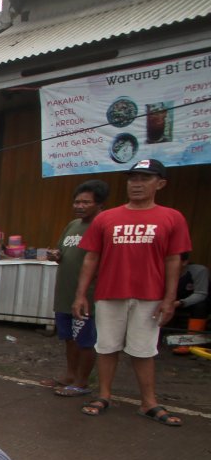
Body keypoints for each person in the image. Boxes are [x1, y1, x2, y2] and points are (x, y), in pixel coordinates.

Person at [73, 159, 191, 426]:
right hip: (109, 293)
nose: (137, 184)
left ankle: (149, 402)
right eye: (132, 179)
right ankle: (103, 395)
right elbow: (91, 258)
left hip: (150, 295)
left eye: (145, 179)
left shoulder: (172, 217)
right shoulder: (106, 217)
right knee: (106, 347)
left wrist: (170, 299)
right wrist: (81, 295)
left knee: (144, 350)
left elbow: (174, 260)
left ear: (159, 184)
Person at [43, 180, 108, 397]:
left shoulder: (104, 225)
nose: (79, 206)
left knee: (85, 340)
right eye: (77, 202)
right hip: (65, 292)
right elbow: (62, 252)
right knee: (68, 338)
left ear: (99, 204)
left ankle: (82, 382)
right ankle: (69, 375)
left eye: (85, 202)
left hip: (88, 296)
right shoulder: (73, 225)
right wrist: (56, 255)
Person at [171, 252, 208, 354]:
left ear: (184, 262)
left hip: (190, 303)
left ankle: (191, 341)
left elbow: (201, 293)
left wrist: (181, 302)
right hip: (171, 301)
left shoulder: (198, 271)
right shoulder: (163, 270)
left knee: (201, 306)